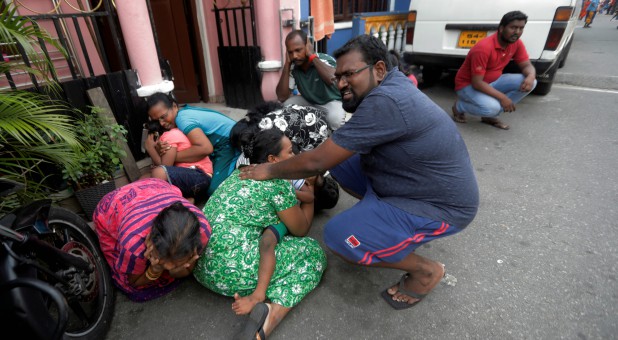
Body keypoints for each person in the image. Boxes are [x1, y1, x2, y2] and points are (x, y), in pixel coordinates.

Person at [240, 34, 479, 310]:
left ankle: (426, 271)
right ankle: (382, 225)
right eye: (338, 76)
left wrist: (269, 170)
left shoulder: (386, 102)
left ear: (378, 69)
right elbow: (324, 158)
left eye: (349, 74)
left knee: (340, 237)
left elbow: (315, 163)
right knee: (338, 160)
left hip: (442, 206)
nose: (340, 83)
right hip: (415, 183)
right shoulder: (389, 87)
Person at [194, 128, 326, 339]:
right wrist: (310, 187)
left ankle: (263, 306)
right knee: (313, 253)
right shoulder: (277, 183)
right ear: (273, 159)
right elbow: (301, 229)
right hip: (232, 273)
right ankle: (269, 318)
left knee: (273, 235)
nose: (294, 157)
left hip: (201, 266)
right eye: (290, 152)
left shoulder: (241, 172)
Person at [93, 178, 210, 302]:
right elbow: (134, 282)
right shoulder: (133, 245)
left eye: (175, 263)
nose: (168, 266)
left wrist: (177, 270)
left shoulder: (203, 230)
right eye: (164, 260)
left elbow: (184, 270)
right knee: (133, 289)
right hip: (112, 204)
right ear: (149, 239)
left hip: (155, 186)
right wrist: (155, 270)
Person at [230, 101, 339, 211]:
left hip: (307, 118)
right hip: (311, 125)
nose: (292, 156)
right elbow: (303, 211)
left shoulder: (257, 143)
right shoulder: (297, 170)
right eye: (290, 152)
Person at [452, 11, 537, 130]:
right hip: (468, 85)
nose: (517, 32)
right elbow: (477, 83)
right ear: (501, 28)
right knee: (492, 108)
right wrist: (503, 98)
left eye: (521, 28)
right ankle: (460, 106)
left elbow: (526, 65)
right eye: (513, 28)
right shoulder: (484, 48)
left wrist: (531, 76)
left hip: (492, 82)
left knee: (531, 82)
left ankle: (489, 116)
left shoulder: (516, 43)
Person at [147, 92, 240, 195]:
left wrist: (171, 155)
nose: (161, 123)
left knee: (215, 191)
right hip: (219, 146)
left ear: (174, 106)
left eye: (163, 116)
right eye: (156, 121)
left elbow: (206, 148)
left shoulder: (182, 119)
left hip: (232, 142)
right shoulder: (180, 116)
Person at [276, 30, 346, 130]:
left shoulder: (324, 59)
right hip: (310, 102)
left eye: (298, 50)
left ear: (307, 46)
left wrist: (312, 56)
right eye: (290, 52)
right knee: (286, 106)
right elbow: (282, 97)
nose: (294, 56)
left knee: (335, 120)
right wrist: (287, 65)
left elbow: (332, 79)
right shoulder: (293, 67)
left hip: (331, 102)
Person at [143, 119, 213, 203]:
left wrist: (150, 148)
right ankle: (186, 199)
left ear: (155, 135)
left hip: (200, 176)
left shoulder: (169, 136)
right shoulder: (171, 134)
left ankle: (177, 203)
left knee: (159, 172)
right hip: (192, 179)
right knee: (144, 179)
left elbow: (165, 167)